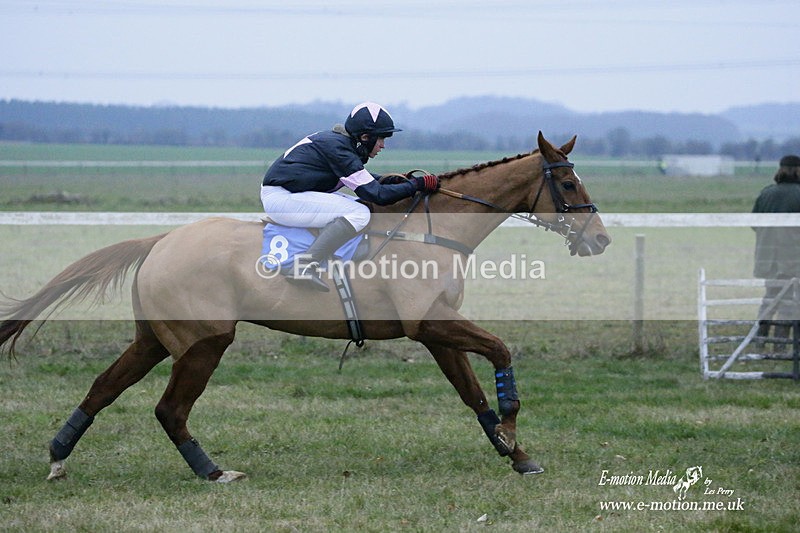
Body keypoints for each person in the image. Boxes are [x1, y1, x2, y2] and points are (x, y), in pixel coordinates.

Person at [260, 102, 439, 291]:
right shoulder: (338, 148)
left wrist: (398, 180)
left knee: (365, 207)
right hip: (282, 198)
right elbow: (376, 194)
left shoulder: (343, 144)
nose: (383, 145)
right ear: (365, 137)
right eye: (381, 139)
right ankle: (304, 265)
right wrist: (417, 185)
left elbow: (368, 181)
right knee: (360, 213)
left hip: (294, 194)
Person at [752, 154, 800, 346]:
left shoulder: (766, 193)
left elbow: (753, 224)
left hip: (767, 257)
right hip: (794, 258)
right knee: (791, 302)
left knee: (770, 298)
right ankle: (781, 343)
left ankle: (760, 339)